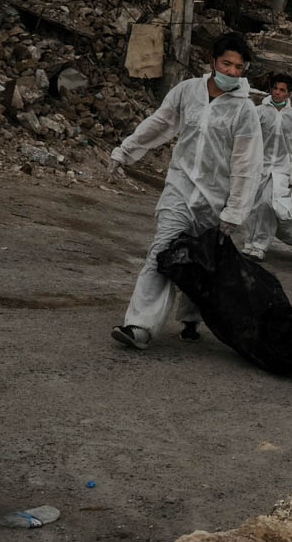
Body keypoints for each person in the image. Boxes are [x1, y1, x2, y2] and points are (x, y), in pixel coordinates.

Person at [107, 32, 263, 350]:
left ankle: (191, 318)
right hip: (179, 189)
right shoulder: (187, 91)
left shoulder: (245, 111)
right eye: (227, 64)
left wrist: (235, 211)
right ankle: (140, 326)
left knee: (200, 262)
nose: (232, 72)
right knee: (162, 252)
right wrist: (125, 151)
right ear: (213, 62)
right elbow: (160, 123)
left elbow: (246, 166)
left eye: (239, 67)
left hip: (215, 200)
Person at [241, 73, 292, 260]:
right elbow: (248, 138)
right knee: (253, 204)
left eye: (282, 90)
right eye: (275, 88)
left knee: (268, 204)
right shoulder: (259, 111)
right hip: (258, 166)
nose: (277, 93)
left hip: (281, 170)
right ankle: (249, 242)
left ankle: (260, 245)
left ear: (289, 93)